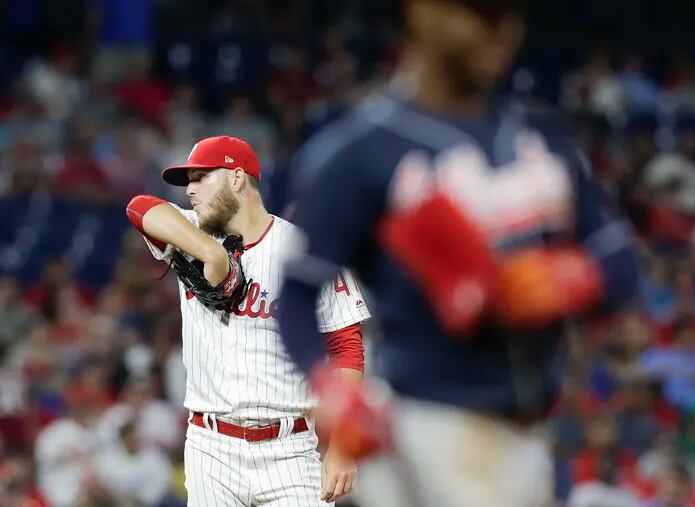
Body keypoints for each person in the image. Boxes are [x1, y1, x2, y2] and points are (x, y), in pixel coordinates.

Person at [278, 0, 639, 506]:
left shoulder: (540, 138)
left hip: (535, 439)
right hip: (428, 435)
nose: (501, 30)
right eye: (481, 14)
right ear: (421, 13)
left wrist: (576, 278)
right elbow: (296, 295)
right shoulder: (362, 152)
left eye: (509, 16)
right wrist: (331, 388)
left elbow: (620, 261)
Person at [125, 135, 370, 505]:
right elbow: (139, 207)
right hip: (210, 447)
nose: (190, 190)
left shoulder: (306, 250)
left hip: (289, 446)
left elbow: (346, 349)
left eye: (201, 177)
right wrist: (210, 252)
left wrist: (343, 448)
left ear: (237, 178)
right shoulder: (189, 233)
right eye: (188, 181)